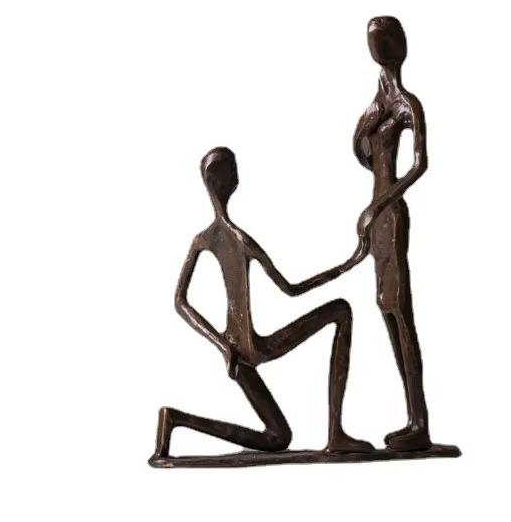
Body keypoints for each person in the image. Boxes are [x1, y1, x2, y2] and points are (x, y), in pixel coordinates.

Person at [150, 147, 373, 461]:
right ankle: (336, 433)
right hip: (253, 347)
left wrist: (223, 346)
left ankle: (175, 420)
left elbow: (179, 301)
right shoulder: (241, 240)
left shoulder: (203, 239)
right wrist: (348, 263)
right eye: (233, 172)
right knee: (341, 310)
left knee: (278, 438)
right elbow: (291, 289)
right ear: (228, 182)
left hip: (235, 352)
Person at [340, 16, 432, 451]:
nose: (376, 49)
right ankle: (412, 417)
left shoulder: (407, 105)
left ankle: (419, 421)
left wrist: (378, 204)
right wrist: (365, 124)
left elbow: (419, 164)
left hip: (389, 214)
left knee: (400, 311)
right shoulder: (378, 105)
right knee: (384, 307)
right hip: (375, 216)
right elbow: (361, 153)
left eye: (382, 43)